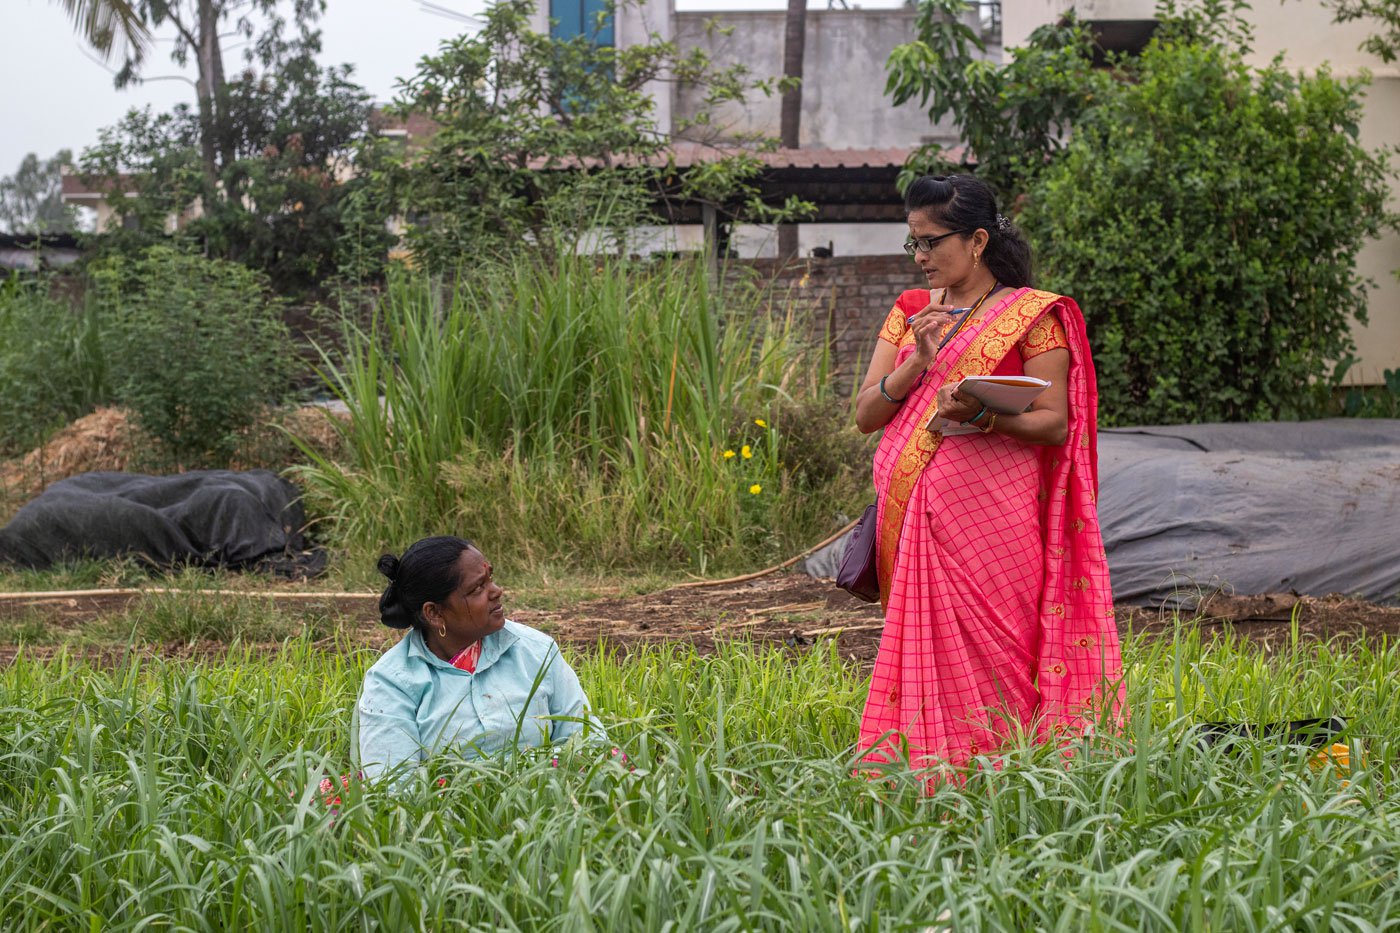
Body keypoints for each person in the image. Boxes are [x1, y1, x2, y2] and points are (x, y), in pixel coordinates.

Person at [852, 174, 1124, 779]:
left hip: (996, 518)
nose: (920, 257)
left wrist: (981, 415)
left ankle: (1007, 775)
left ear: (977, 241)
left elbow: (1055, 424)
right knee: (927, 649)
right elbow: (867, 414)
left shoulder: (1032, 316)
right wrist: (916, 366)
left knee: (999, 641)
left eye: (931, 242)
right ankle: (928, 774)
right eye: (912, 244)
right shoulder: (909, 313)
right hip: (915, 508)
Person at [356, 535, 602, 782]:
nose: (497, 591)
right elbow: (391, 786)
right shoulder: (391, 682)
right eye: (477, 588)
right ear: (434, 613)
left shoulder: (536, 651)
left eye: (490, 579)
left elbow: (588, 742)